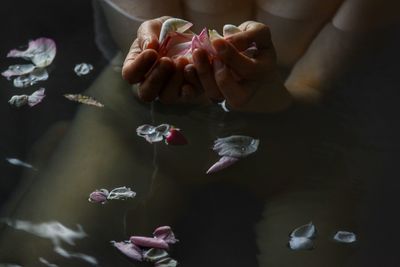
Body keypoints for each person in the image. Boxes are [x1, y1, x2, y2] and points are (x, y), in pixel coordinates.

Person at [0, 0, 398, 266]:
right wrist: (157, 65)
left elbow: (318, 80)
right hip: (140, 119)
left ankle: (60, 157)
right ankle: (62, 159)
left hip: (298, 136)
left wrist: (276, 99)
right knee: (36, 257)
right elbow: (138, 47)